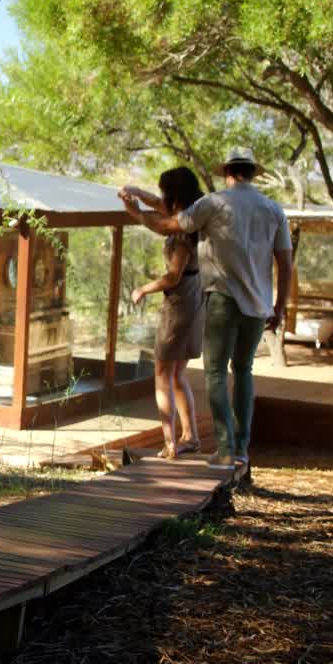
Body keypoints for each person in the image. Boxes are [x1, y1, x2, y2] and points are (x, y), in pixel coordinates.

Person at [120, 149, 292, 470]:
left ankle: (226, 447)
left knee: (215, 373)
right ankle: (241, 448)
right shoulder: (273, 210)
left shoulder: (215, 204)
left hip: (223, 299)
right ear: (253, 173)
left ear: (227, 171)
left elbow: (171, 224)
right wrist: (279, 307)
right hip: (258, 305)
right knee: (243, 372)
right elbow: (285, 263)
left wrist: (136, 212)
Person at [121, 168, 205, 460]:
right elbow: (159, 206)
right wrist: (137, 194)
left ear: (175, 194)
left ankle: (170, 441)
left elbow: (172, 276)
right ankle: (190, 435)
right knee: (178, 373)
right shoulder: (194, 213)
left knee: (162, 373)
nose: (161, 197)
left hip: (180, 303)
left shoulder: (183, 232)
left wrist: (143, 289)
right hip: (194, 299)